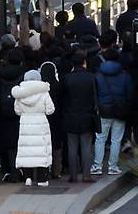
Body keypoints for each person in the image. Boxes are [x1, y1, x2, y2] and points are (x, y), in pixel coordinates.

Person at [91, 50, 133, 176]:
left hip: (103, 110)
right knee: (116, 140)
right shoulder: (125, 75)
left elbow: (95, 94)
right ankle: (112, 166)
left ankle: (97, 166)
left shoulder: (98, 75)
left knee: (100, 139)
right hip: (120, 110)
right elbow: (130, 94)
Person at [12, 70, 55, 186]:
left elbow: (17, 111)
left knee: (27, 152)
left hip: (25, 123)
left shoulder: (20, 94)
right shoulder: (44, 92)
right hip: (41, 123)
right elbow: (50, 110)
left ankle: (28, 178)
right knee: (41, 151)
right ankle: (42, 179)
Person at [62, 53, 98, 183]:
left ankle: (73, 175)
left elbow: (62, 98)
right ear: (84, 63)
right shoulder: (91, 77)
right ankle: (86, 175)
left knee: (72, 146)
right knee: (86, 146)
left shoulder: (67, 78)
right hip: (87, 115)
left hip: (70, 116)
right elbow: (95, 97)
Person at [0, 49, 26, 182]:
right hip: (20, 114)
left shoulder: (0, 74)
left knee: (6, 144)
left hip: (3, 114)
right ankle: (19, 171)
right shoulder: (24, 75)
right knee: (19, 143)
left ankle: (7, 170)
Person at [39, 48, 65, 178]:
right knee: (56, 144)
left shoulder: (39, 89)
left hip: (42, 120)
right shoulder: (59, 86)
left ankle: (44, 171)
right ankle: (57, 170)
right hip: (56, 119)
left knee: (43, 144)